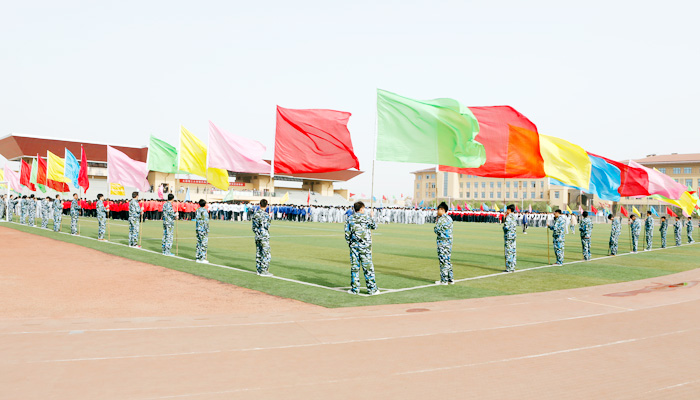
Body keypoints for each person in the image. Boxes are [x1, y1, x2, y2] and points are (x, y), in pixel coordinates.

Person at [344, 201, 379, 295]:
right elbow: (374, 226)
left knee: (355, 267)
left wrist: (351, 244)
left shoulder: (350, 219)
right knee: (368, 268)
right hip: (365, 247)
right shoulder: (366, 218)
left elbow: (347, 234)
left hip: (354, 246)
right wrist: (372, 217)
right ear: (361, 209)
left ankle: (355, 289)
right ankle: (372, 289)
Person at [434, 202, 454, 284]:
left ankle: (444, 280)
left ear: (442, 210)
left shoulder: (441, 219)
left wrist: (436, 223)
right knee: (447, 260)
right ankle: (450, 278)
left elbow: (436, 230)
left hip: (442, 242)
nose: (437, 211)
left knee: (443, 261)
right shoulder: (449, 218)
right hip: (449, 242)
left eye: (438, 209)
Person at [252, 199, 272, 275]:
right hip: (264, 236)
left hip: (257, 235)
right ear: (266, 205)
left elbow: (253, 227)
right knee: (266, 253)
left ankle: (259, 269)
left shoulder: (255, 214)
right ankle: (264, 270)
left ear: (259, 205)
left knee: (259, 252)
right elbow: (267, 226)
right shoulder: (266, 215)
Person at [503, 204, 517, 272]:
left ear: (509, 209)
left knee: (508, 252)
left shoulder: (508, 217)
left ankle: (508, 267)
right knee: (513, 251)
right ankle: (513, 267)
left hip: (508, 236)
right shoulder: (514, 217)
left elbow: (506, 227)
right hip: (513, 236)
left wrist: (503, 226)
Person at [195, 199, 209, 263]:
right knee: (204, 243)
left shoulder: (197, 210)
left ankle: (198, 257)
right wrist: (207, 229)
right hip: (203, 228)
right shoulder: (204, 211)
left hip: (198, 228)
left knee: (199, 243)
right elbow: (206, 221)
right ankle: (202, 258)